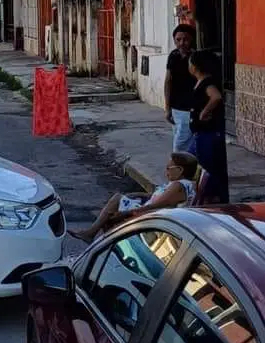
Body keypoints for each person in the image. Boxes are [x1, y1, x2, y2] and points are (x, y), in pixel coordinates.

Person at [69, 152, 200, 242]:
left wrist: (126, 213)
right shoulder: (184, 185)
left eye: (169, 168)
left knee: (115, 205)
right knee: (118, 201)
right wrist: (138, 194)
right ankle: (94, 234)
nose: (166, 172)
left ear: (180, 170)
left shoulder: (178, 186)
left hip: (151, 215)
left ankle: (92, 234)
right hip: (151, 210)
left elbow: (155, 205)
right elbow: (158, 197)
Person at [190, 49, 230, 204]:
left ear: (195, 66)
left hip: (208, 133)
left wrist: (204, 113)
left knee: (209, 167)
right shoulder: (199, 82)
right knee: (198, 162)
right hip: (200, 133)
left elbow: (216, 97)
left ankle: (211, 198)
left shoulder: (208, 82)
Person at [165, 23, 197, 153]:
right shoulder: (173, 56)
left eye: (185, 39)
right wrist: (167, 108)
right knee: (183, 144)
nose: (182, 43)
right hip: (175, 108)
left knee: (179, 147)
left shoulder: (195, 58)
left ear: (191, 40)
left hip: (189, 109)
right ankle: (188, 171)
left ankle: (178, 171)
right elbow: (168, 81)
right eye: (178, 40)